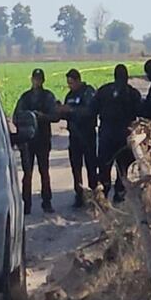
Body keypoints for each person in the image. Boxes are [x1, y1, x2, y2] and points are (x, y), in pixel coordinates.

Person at [91, 63, 141, 202]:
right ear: (126, 77)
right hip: (124, 134)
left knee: (104, 165)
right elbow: (141, 111)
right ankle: (119, 191)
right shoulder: (132, 92)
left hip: (106, 134)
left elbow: (92, 110)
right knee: (123, 166)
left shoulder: (103, 91)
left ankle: (104, 192)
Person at [13, 68, 58, 214]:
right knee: (27, 173)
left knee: (44, 172)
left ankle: (47, 202)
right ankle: (27, 204)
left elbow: (55, 116)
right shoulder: (25, 97)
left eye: (39, 79)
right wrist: (28, 118)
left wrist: (42, 117)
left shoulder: (48, 96)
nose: (37, 81)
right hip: (27, 140)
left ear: (43, 80)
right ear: (31, 79)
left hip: (43, 138)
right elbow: (16, 117)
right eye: (35, 78)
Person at [56, 68, 98, 208]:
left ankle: (94, 194)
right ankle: (79, 194)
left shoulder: (88, 92)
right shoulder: (70, 95)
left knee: (91, 166)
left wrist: (72, 110)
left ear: (78, 80)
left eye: (72, 83)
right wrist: (61, 110)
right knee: (76, 167)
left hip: (87, 135)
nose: (70, 86)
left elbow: (90, 111)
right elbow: (67, 114)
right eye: (68, 83)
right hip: (74, 136)